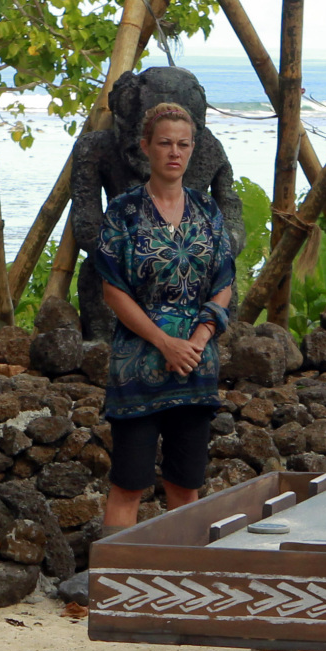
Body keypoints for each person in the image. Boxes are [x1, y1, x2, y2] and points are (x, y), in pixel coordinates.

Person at [93, 100, 237, 531]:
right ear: (145, 148)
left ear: (192, 149)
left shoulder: (207, 211)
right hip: (137, 366)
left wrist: (199, 338)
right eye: (165, 143)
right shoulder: (123, 211)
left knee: (186, 486)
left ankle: (182, 588)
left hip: (195, 366)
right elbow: (113, 289)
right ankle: (115, 589)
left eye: (183, 144)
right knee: (128, 485)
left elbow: (224, 281)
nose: (174, 152)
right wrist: (164, 342)